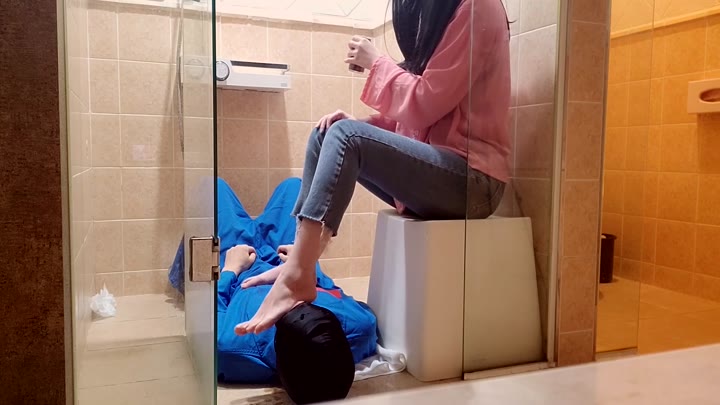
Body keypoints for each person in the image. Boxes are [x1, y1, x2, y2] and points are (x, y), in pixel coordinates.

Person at [235, 0, 512, 335]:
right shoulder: (448, 13)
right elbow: (420, 119)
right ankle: (300, 262)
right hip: (443, 171)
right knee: (326, 134)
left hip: (474, 183)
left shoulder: (477, 6)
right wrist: (361, 126)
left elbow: (426, 103)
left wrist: (376, 62)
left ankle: (297, 275)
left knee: (346, 136)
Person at [214, 177, 377, 384]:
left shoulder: (231, 347)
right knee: (295, 187)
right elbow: (337, 294)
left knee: (212, 187)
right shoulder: (360, 328)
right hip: (288, 259)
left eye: (294, 312)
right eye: (311, 307)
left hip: (242, 265)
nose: (299, 302)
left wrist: (230, 270)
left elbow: (213, 308)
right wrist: (304, 263)